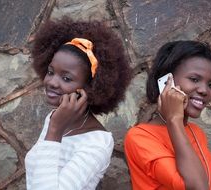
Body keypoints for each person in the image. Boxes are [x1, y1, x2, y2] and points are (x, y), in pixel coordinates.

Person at [25, 16, 132, 190]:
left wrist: (55, 130)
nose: (52, 82)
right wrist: (55, 126)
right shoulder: (54, 117)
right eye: (51, 72)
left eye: (66, 78)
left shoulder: (98, 142)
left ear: (90, 87)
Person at [124, 41, 211, 190]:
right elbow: (197, 187)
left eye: (210, 84)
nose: (204, 90)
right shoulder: (139, 137)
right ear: (166, 82)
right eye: (194, 79)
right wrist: (174, 119)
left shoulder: (197, 133)